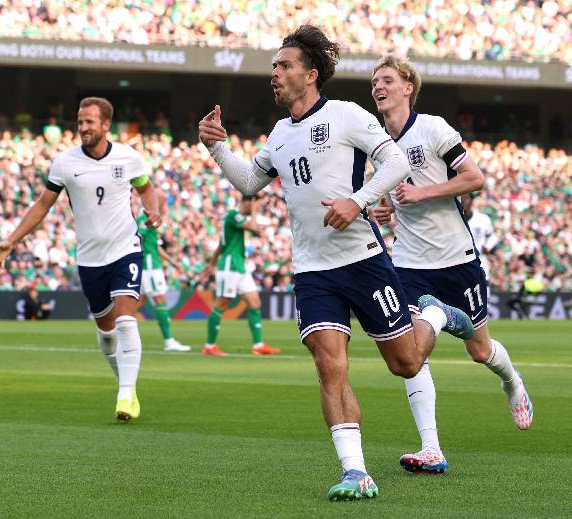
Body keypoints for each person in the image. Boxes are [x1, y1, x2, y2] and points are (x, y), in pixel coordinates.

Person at [198, 24, 473, 501]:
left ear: (311, 74)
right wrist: (217, 147)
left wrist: (359, 201)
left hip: (363, 260)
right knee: (330, 366)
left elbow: (397, 164)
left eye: (284, 66)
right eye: (274, 67)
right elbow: (248, 183)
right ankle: (355, 471)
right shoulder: (280, 134)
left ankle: (433, 314)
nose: (275, 74)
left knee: (406, 364)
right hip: (311, 270)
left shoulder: (347, 115)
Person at [370, 54, 533, 475]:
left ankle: (512, 381)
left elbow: (474, 178)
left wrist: (425, 194)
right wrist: (386, 210)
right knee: (409, 353)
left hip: (455, 258)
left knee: (480, 351)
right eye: (373, 81)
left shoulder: (433, 128)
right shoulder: (377, 145)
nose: (377, 86)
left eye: (386, 79)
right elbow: (392, 198)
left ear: (408, 87)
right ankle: (431, 449)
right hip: (407, 263)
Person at [0, 97, 161, 423]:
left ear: (106, 124)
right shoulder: (65, 163)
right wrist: (12, 240)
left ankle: (125, 395)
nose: (82, 127)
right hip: (89, 259)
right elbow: (42, 205)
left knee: (126, 319)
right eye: (80, 122)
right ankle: (125, 384)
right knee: (106, 331)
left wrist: (153, 212)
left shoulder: (129, 158)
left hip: (126, 249)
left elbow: (146, 188)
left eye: (89, 122)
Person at [200, 194, 280, 356]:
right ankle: (209, 346)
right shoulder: (233, 215)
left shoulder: (235, 219)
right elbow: (254, 227)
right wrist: (254, 210)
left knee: (255, 302)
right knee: (222, 303)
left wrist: (212, 263)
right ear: (248, 202)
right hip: (230, 266)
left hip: (239, 266)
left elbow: (222, 245)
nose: (255, 208)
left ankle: (258, 345)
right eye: (254, 203)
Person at [137, 187, 191, 352]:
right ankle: (168, 340)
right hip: (150, 266)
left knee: (139, 303)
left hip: (150, 264)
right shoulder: (145, 215)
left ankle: (119, 332)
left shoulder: (151, 216)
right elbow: (141, 234)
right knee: (160, 300)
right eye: (162, 200)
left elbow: (154, 245)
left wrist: (172, 262)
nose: (164, 204)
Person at [461, 192, 498, 277]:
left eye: (466, 198)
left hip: (480, 261)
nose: (463, 201)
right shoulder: (453, 221)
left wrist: (487, 246)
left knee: (484, 286)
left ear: (472, 201)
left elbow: (492, 236)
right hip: (460, 263)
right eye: (461, 198)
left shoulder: (483, 219)